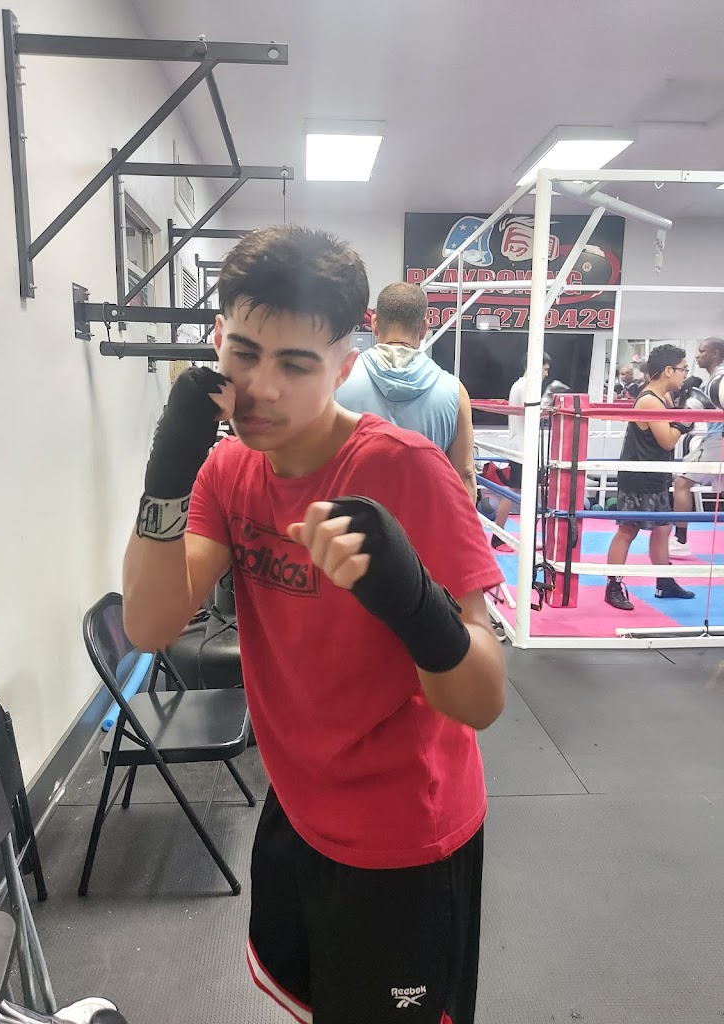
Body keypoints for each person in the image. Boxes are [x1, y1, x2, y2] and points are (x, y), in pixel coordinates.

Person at [123, 225, 506, 1024]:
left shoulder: (405, 471)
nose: (261, 387)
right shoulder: (230, 469)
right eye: (245, 353)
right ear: (218, 340)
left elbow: (483, 699)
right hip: (300, 809)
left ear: (343, 365)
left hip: (405, 836)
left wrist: (412, 601)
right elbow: (152, 624)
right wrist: (165, 479)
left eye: (295, 365)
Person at [336, 282, 477, 503]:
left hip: (349, 520)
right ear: (424, 328)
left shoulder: (338, 379)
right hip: (422, 521)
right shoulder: (455, 392)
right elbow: (465, 474)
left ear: (374, 324)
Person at [604, 343, 696, 611]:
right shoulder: (649, 400)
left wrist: (680, 412)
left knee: (663, 528)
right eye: (682, 369)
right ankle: (613, 586)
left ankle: (664, 582)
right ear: (668, 370)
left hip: (656, 474)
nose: (685, 374)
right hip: (638, 476)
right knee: (628, 530)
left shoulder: (663, 398)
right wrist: (684, 422)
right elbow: (667, 440)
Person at [670, 337, 724, 558]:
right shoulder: (714, 380)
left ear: (715, 353)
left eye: (702, 351)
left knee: (681, 481)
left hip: (719, 440)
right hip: (715, 438)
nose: (697, 355)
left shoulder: (720, 379)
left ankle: (680, 541)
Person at [490, 352, 550, 551]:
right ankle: (501, 535)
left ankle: (506, 535)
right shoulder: (526, 386)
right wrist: (549, 399)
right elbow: (533, 413)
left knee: (519, 492)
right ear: (536, 366)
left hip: (522, 446)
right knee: (517, 492)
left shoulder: (519, 385)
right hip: (523, 449)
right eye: (545, 369)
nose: (546, 374)